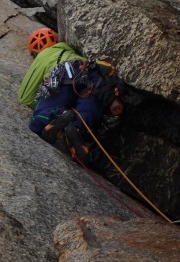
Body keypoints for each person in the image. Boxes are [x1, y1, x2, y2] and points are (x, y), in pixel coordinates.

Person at [18, 27, 125, 163]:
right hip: (90, 77)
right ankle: (77, 130)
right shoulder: (74, 52)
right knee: (87, 110)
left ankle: (57, 116)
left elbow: (24, 97)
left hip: (64, 75)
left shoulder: (44, 55)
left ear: (35, 52)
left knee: (40, 116)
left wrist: (41, 101)